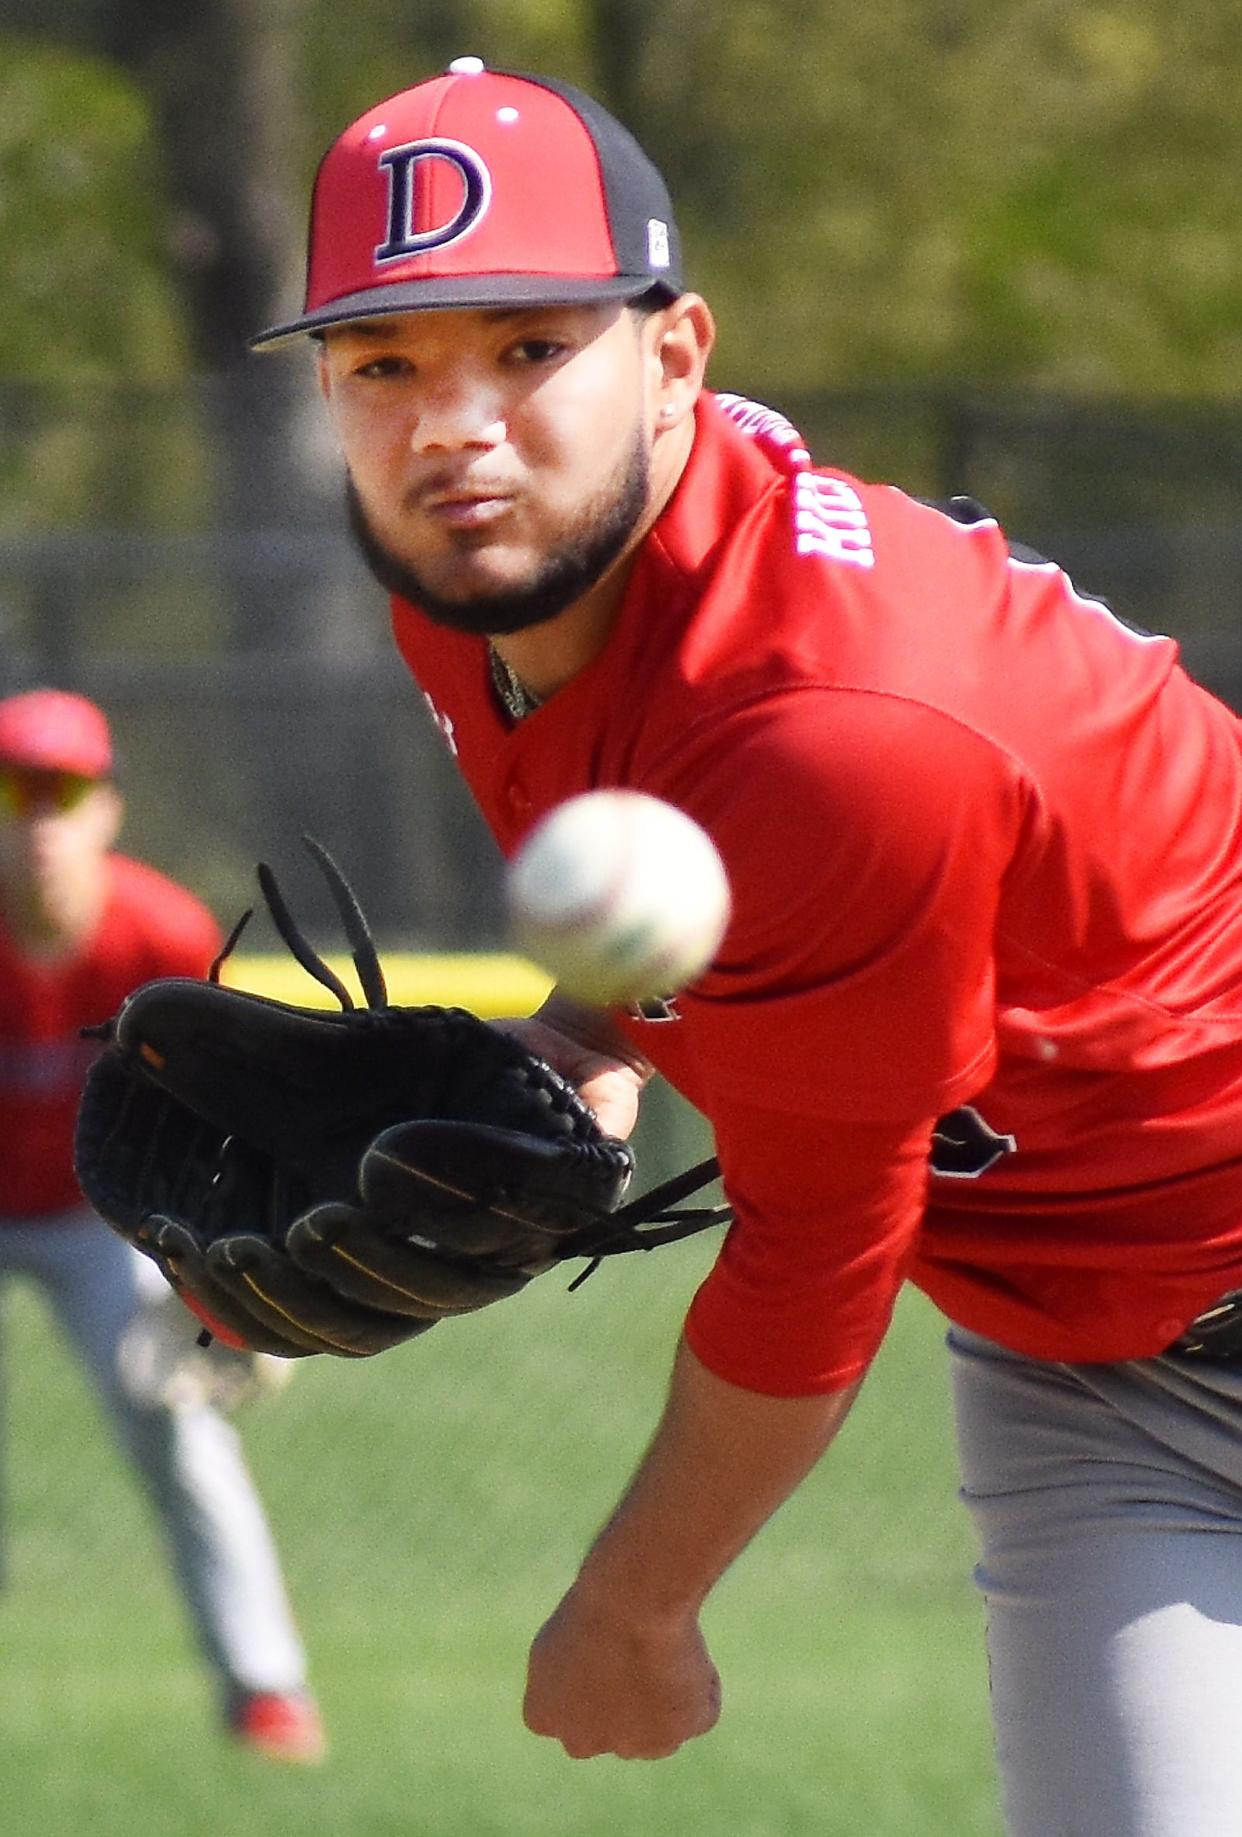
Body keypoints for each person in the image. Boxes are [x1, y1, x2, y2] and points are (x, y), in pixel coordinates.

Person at [253, 57, 1242, 1833]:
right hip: (1098, 1375)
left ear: (677, 354)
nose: (451, 423)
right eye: (383, 363)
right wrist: (583, 1043)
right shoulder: (476, 580)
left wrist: (636, 1605)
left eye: (529, 346)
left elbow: (815, 1258)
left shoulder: (841, 722)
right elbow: (679, 880)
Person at [0, 688, 326, 1763]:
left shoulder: (162, 933)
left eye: (65, 790)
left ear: (108, 809)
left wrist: (221, 1294)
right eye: (15, 791)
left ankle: (265, 1691)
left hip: (107, 1214)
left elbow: (215, 1125)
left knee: (179, 1428)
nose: (40, 818)